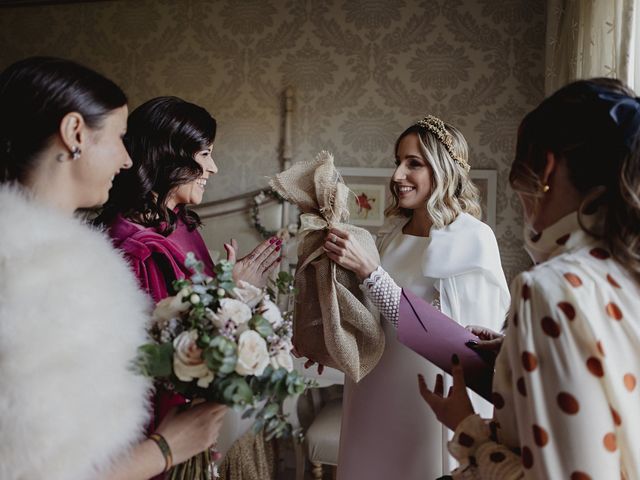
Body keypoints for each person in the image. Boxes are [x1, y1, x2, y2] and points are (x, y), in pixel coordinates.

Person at [0, 56, 225, 480]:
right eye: (120, 137)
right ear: (74, 134)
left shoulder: (82, 260)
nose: (127, 159)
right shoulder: (31, 277)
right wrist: (165, 448)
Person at [418, 78, 640, 479]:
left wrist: (468, 427)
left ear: (545, 171)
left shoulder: (550, 288)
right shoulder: (627, 269)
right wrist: (511, 353)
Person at [95, 96, 282, 477]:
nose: (213, 167)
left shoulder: (178, 223)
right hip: (171, 428)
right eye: (205, 153)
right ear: (169, 156)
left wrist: (227, 285)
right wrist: (231, 293)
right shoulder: (136, 248)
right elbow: (160, 354)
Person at [324, 115, 510, 479]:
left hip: (427, 398)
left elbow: (456, 341)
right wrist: (330, 339)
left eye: (414, 163)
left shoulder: (473, 238)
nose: (397, 176)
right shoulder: (392, 236)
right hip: (372, 389)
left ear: (442, 171)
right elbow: (371, 317)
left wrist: (371, 273)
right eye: (398, 162)